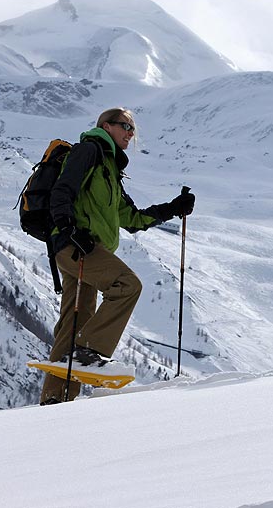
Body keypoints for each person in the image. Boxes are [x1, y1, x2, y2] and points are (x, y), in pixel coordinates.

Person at [39, 107, 195, 405]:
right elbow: (63, 191)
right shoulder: (88, 151)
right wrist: (70, 228)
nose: (130, 134)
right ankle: (87, 352)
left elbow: (132, 218)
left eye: (133, 130)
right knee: (127, 285)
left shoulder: (109, 168)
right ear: (106, 126)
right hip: (77, 245)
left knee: (74, 325)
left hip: (81, 248)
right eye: (126, 126)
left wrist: (173, 208)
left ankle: (54, 401)